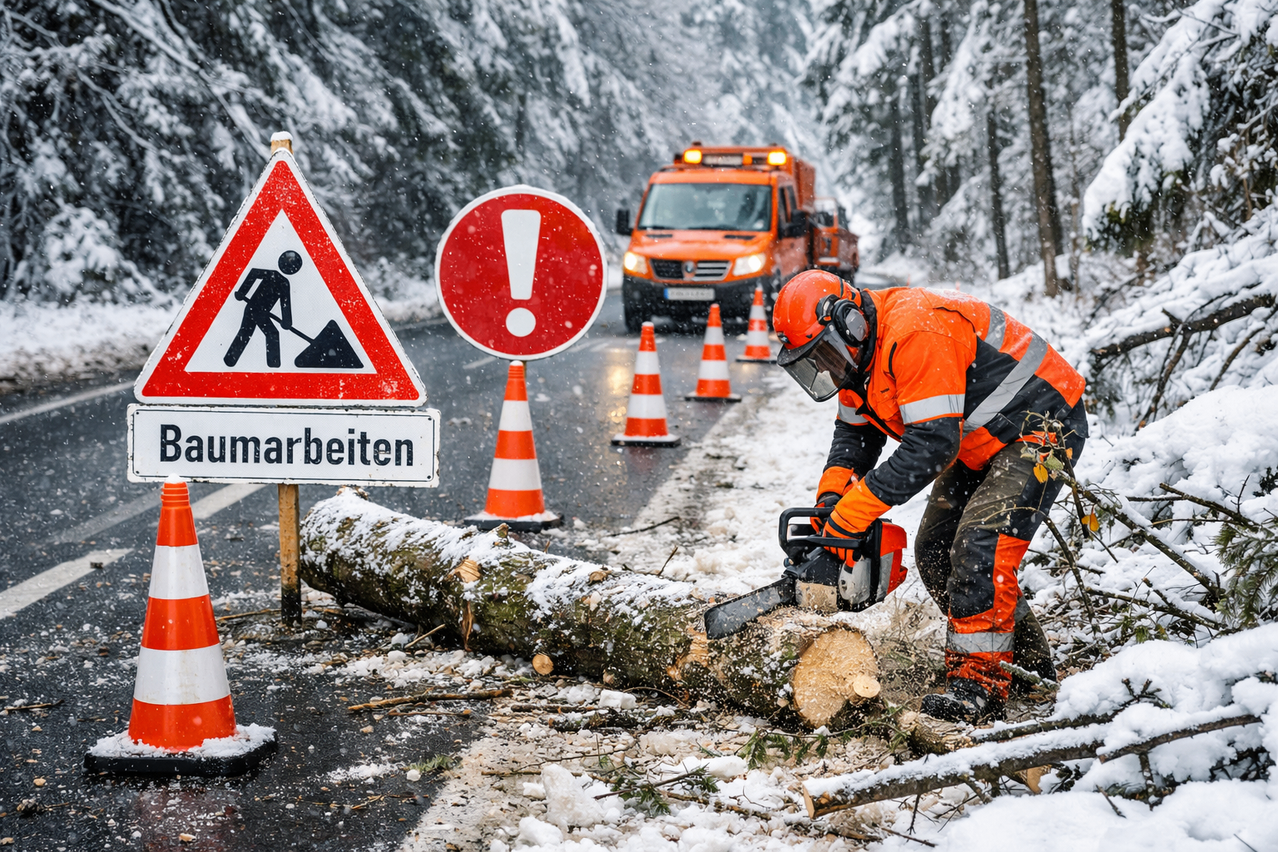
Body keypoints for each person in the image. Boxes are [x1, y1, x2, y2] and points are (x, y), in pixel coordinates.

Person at [772, 270, 1087, 723]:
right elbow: (854, 437)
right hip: (973, 434)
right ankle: (1028, 670)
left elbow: (933, 445)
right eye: (813, 359)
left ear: (850, 322)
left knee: (980, 545)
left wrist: (856, 513)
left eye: (824, 353)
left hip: (1040, 426)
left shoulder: (917, 332)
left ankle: (978, 684)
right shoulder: (855, 360)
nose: (825, 366)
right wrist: (830, 504)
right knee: (935, 549)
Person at [224, 251, 301, 368]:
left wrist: (287, 321)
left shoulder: (283, 282)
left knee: (247, 332)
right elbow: (254, 273)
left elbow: (285, 303)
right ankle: (273, 366)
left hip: (260, 312)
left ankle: (230, 360)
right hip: (254, 309)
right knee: (263, 333)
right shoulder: (275, 276)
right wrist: (242, 292)